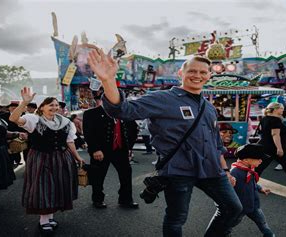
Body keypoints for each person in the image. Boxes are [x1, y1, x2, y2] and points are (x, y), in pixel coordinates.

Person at [88, 51, 242, 237]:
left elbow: (216, 143)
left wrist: (225, 170)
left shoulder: (208, 106)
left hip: (212, 169)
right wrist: (108, 80)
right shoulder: (163, 99)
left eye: (203, 72)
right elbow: (124, 110)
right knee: (176, 218)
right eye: (192, 71)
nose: (197, 76)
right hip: (178, 170)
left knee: (233, 208)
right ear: (180, 73)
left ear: (210, 75)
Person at [9, 87, 84, 234]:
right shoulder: (33, 119)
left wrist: (78, 157)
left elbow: (70, 142)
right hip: (41, 158)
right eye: (51, 105)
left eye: (56, 105)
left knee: (57, 187)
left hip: (62, 158)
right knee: (43, 187)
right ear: (42, 107)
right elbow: (13, 119)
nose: (55, 107)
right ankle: (44, 220)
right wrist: (24, 103)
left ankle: (49, 217)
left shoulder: (66, 122)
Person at [83, 95, 138, 209]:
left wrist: (129, 147)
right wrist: (95, 149)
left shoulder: (124, 113)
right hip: (101, 150)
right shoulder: (91, 113)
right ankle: (97, 199)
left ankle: (126, 199)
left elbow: (133, 129)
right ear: (103, 101)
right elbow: (88, 133)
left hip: (120, 149)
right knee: (98, 176)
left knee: (126, 174)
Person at [228, 144, 275, 237]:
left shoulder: (249, 169)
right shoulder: (235, 172)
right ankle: (224, 233)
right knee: (231, 223)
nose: (261, 160)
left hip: (254, 205)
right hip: (241, 207)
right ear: (245, 160)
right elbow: (227, 188)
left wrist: (260, 188)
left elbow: (251, 182)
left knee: (262, 221)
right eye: (258, 158)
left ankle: (269, 234)